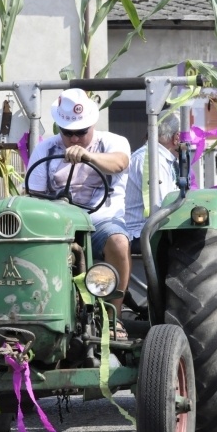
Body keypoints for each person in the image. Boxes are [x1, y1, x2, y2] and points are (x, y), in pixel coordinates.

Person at [27, 88, 132, 338]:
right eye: (68, 133)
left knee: (118, 241)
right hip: (59, 225)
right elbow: (34, 194)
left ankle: (113, 317)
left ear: (92, 125)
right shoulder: (46, 150)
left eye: (81, 132)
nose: (74, 139)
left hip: (101, 223)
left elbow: (119, 162)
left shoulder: (112, 142)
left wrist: (88, 156)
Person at [124, 110, 181, 254]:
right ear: (176, 138)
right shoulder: (151, 159)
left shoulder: (162, 159)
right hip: (140, 234)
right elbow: (164, 207)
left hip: (150, 230)